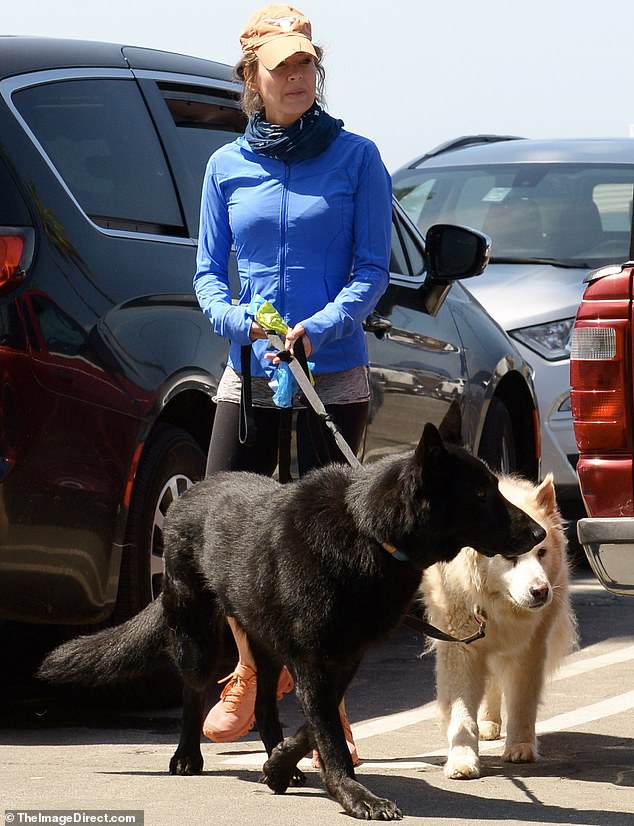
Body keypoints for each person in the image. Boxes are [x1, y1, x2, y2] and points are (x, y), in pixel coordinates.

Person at [193, 4, 392, 764]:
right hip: (248, 375)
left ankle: (329, 706)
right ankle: (248, 670)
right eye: (283, 67)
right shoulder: (224, 167)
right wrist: (238, 319)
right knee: (225, 532)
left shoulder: (358, 158)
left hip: (329, 377)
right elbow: (208, 273)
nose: (300, 77)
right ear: (252, 79)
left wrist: (324, 325)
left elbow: (371, 272)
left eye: (307, 63)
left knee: (328, 557)